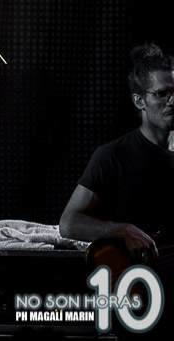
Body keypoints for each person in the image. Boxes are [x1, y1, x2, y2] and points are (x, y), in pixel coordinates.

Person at [59, 42, 174, 338]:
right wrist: (122, 229)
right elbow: (68, 223)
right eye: (162, 94)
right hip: (138, 301)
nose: (172, 100)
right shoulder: (112, 156)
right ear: (139, 101)